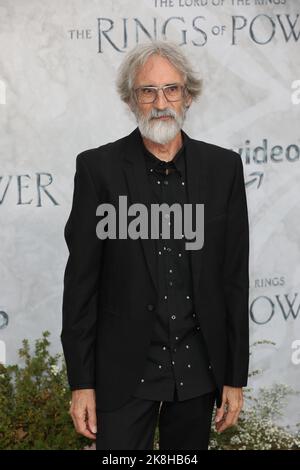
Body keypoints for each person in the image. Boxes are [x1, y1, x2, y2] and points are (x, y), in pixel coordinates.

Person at [61, 40, 250, 450]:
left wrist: (235, 376)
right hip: (122, 374)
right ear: (131, 100)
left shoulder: (223, 169)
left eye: (171, 89)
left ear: (189, 96)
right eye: (148, 91)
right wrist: (82, 384)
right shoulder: (98, 170)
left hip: (198, 372)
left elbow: (234, 280)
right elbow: (80, 287)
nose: (160, 101)